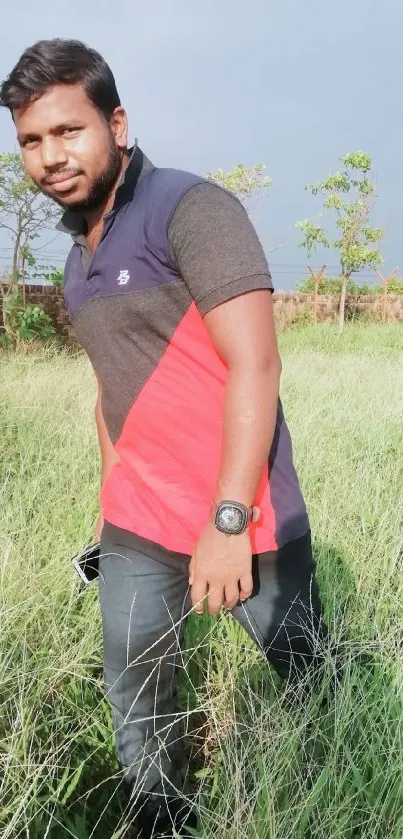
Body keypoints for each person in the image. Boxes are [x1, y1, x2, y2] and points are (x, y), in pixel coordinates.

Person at [1, 40, 329, 838]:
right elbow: (112, 392)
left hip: (243, 518)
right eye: (31, 140)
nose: (51, 156)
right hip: (137, 528)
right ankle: (162, 820)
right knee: (136, 694)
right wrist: (108, 504)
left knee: (310, 675)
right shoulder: (79, 252)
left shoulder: (192, 209)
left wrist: (227, 523)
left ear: (116, 123)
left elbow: (256, 364)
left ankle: (329, 793)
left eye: (69, 131)